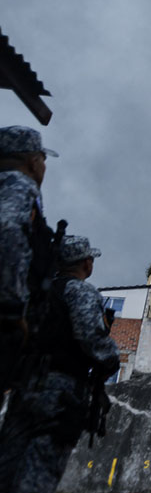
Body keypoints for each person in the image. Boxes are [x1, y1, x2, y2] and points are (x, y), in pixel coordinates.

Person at [0, 235, 120, 493]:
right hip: (61, 393)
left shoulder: (36, 293)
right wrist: (111, 358)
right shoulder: (81, 292)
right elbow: (91, 338)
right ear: (85, 263)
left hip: (24, 388)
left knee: (6, 468)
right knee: (37, 476)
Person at [0, 125, 58, 391]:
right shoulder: (20, 186)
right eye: (43, 160)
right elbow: (8, 230)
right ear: (34, 161)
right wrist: (13, 308)